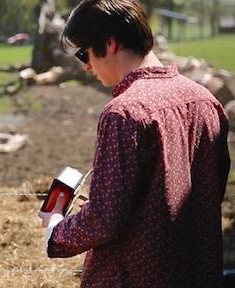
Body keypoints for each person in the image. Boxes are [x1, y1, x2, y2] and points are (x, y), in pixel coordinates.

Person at [38, 0, 230, 287]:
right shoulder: (206, 101)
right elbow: (208, 190)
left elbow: (104, 218)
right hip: (198, 273)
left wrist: (56, 233)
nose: (87, 66)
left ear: (111, 43)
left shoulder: (123, 112)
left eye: (84, 53)